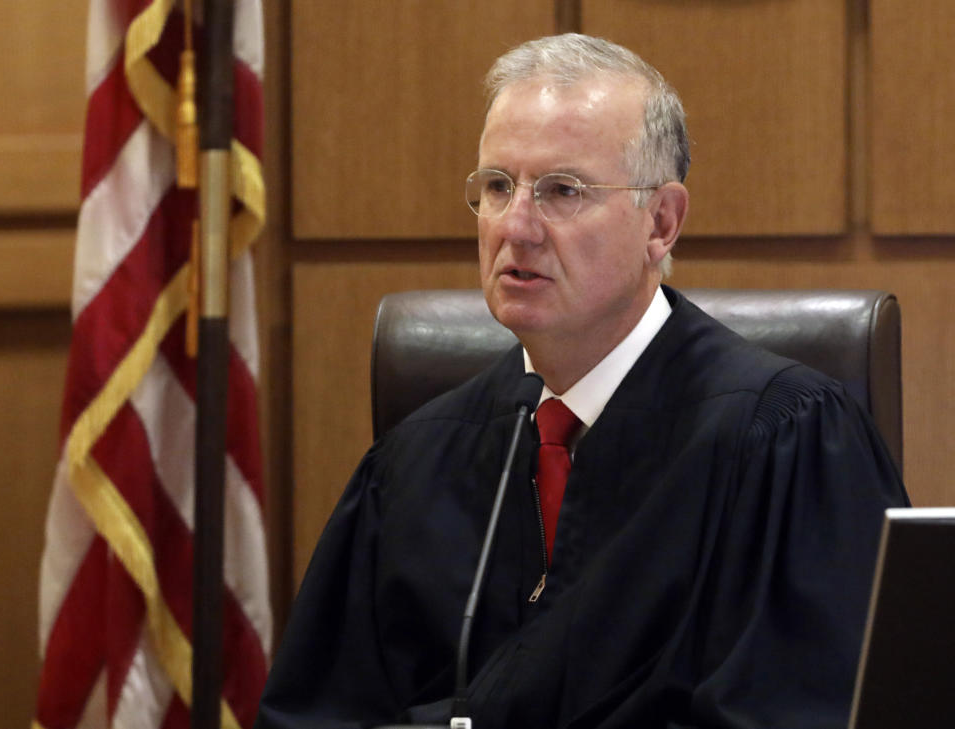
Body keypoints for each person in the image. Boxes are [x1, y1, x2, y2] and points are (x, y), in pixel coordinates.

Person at [255, 34, 908, 729]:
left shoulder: (786, 441)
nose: (517, 225)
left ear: (661, 221)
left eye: (562, 190)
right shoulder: (416, 459)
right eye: (498, 186)